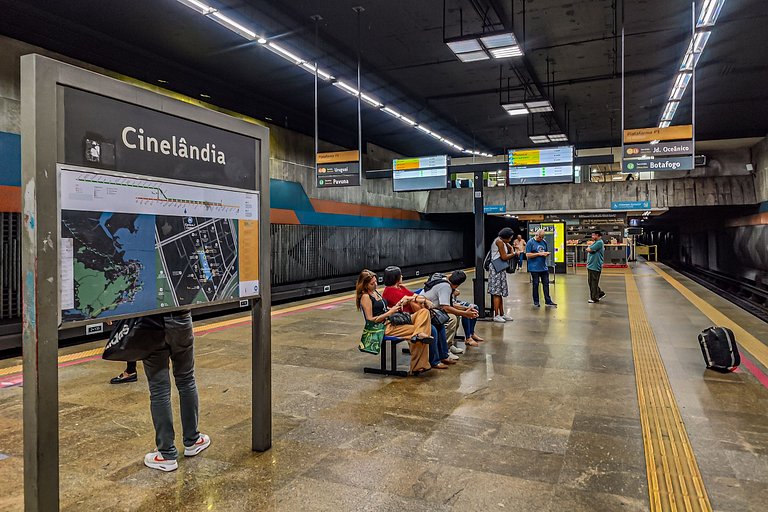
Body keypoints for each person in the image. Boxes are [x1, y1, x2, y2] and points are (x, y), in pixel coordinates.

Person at [142, 310, 210, 471]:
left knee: (159, 389)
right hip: (180, 318)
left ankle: (166, 453)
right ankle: (193, 440)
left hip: (149, 322)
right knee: (186, 380)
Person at [356, 269, 434, 374]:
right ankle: (418, 364)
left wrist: (396, 306)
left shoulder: (375, 292)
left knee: (424, 312)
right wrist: (389, 313)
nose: (375, 285)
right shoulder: (365, 297)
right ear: (365, 285)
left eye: (376, 282)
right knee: (420, 331)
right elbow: (370, 319)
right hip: (383, 327)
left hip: (393, 320)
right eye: (372, 283)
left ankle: (419, 335)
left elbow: (384, 308)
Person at [381, 266, 447, 369]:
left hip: (415, 316)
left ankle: (443, 355)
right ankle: (434, 360)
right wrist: (417, 299)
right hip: (405, 319)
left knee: (439, 325)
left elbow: (414, 296)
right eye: (400, 275)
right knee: (432, 329)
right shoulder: (389, 291)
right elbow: (409, 301)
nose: (402, 276)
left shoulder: (400, 287)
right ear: (396, 278)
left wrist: (417, 299)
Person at [421, 271, 479, 355]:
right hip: (426, 311)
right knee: (452, 318)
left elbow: (450, 304)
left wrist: (466, 308)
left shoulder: (445, 281)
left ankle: (450, 344)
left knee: (456, 315)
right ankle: (445, 350)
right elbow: (446, 308)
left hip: (433, 308)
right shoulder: (446, 287)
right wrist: (465, 314)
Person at [488, 227, 517, 323]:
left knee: (499, 292)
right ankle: (496, 315)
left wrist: (510, 247)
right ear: (505, 237)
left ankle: (502, 313)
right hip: (496, 268)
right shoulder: (499, 242)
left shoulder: (502, 241)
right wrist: (515, 253)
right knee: (497, 292)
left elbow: (508, 247)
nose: (510, 240)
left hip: (499, 268)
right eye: (509, 238)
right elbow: (504, 257)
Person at [525, 229, 557, 308]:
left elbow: (544, 251)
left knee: (546, 284)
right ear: (536, 235)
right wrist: (539, 254)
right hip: (534, 268)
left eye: (543, 237)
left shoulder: (544, 242)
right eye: (540, 237)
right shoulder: (530, 242)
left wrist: (546, 254)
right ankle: (536, 301)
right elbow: (528, 255)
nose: (541, 239)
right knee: (535, 284)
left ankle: (548, 301)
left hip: (543, 267)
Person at [586, 230, 607, 303]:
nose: (592, 237)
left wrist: (589, 247)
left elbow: (589, 249)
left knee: (593, 282)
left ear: (598, 235)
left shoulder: (599, 242)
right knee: (591, 282)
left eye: (594, 235)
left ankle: (594, 298)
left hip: (595, 266)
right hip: (591, 265)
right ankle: (600, 293)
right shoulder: (596, 242)